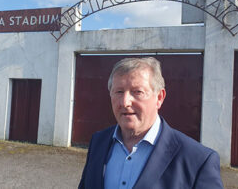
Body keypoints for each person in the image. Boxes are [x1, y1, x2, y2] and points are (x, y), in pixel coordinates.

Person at [78, 57, 223, 189]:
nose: (125, 102)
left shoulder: (198, 160)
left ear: (159, 97)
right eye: (119, 92)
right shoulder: (98, 142)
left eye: (137, 92)